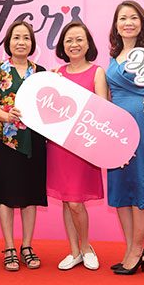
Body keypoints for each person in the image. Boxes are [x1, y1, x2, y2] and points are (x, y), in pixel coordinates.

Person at [105, 0, 144, 275]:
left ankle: (137, 249)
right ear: (116, 25)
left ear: (142, 23)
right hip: (113, 129)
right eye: (122, 18)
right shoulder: (113, 56)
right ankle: (132, 249)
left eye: (133, 18)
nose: (128, 23)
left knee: (137, 185)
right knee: (119, 187)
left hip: (139, 124)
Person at [0, 20, 47, 271]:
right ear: (8, 42)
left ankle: (27, 246)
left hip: (34, 140)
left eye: (26, 38)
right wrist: (6, 115)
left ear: (32, 43)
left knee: (31, 195)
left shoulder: (41, 72)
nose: (21, 42)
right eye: (16, 37)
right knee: (6, 195)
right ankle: (9, 246)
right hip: (5, 141)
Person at [47, 22, 107, 271]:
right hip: (59, 146)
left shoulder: (97, 72)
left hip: (83, 147)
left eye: (79, 39)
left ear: (88, 43)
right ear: (63, 45)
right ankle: (74, 251)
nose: (74, 44)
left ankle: (86, 247)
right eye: (69, 40)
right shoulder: (56, 74)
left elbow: (102, 110)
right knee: (66, 199)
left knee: (75, 202)